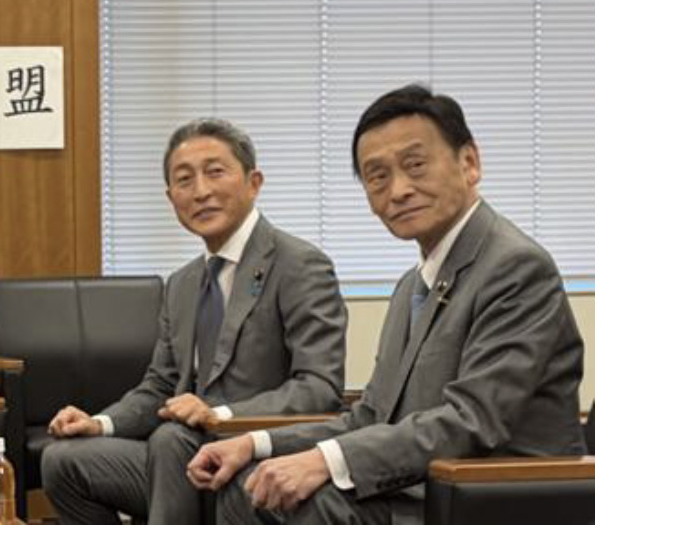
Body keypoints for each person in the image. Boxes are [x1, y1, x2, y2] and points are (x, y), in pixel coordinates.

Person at [188, 84, 587, 524]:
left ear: (469, 163)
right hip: (419, 488)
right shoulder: (410, 287)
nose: (398, 190)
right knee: (245, 483)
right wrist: (256, 443)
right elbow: (372, 415)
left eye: (415, 165)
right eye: (377, 176)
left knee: (301, 501)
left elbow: (472, 420)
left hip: (497, 500)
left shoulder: (515, 267)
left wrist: (324, 461)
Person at [40, 118, 348, 524]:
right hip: (183, 457)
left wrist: (220, 415)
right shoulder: (182, 283)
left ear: (253, 182)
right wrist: (99, 423)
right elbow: (161, 387)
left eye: (215, 172)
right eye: (184, 180)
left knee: (171, 439)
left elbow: (319, 388)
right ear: (171, 198)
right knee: (63, 459)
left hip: (259, 453)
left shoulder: (300, 265)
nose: (200, 191)